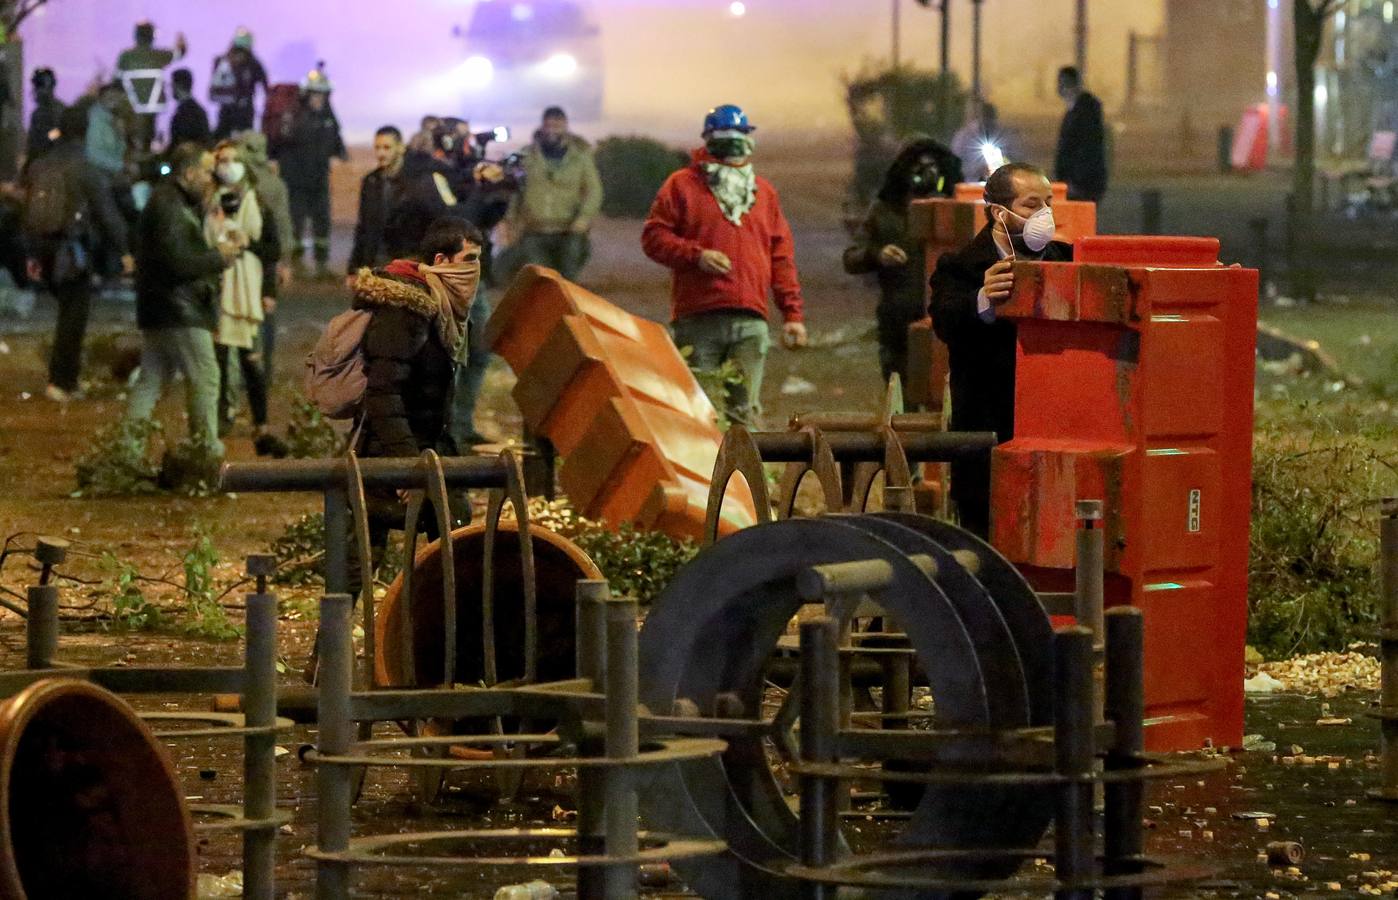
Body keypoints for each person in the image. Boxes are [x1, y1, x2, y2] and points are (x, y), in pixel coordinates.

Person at [928, 162, 1073, 537]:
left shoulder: (1068, 261)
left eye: (1049, 204)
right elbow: (946, 322)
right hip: (987, 439)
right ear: (999, 212)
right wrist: (984, 301)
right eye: (1030, 206)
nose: (1044, 216)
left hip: (1054, 434)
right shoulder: (961, 268)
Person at [642, 104, 807, 427]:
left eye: (739, 136)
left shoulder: (763, 193)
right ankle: (698, 476)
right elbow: (654, 237)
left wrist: (793, 314)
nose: (733, 144)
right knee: (694, 413)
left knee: (743, 414)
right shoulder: (682, 185)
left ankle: (743, 478)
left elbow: (781, 256)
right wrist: (695, 255)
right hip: (697, 317)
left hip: (750, 319)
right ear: (707, 141)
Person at [123, 143, 239, 458]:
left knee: (151, 379)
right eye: (205, 170)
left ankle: (128, 452)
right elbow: (178, 262)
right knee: (206, 374)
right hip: (178, 309)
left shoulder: (170, 202)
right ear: (188, 173)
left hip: (159, 307)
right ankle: (206, 449)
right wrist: (219, 257)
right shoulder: (170, 207)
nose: (210, 176)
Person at [22, 105, 132, 402]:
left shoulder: (39, 165)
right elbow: (107, 215)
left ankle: (63, 379)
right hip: (70, 253)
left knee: (64, 314)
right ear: (85, 131)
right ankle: (62, 382)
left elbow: (24, 208)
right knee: (73, 316)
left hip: (40, 250)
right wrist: (126, 251)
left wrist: (29, 254)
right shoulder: (85, 168)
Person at [843, 138, 959, 386]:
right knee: (901, 390)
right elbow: (852, 258)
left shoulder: (956, 211)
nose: (926, 174)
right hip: (898, 319)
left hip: (947, 319)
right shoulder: (885, 211)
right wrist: (878, 254)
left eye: (933, 167)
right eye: (918, 167)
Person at [207, 140, 277, 446]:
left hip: (249, 288)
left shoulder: (257, 201)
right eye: (222, 160)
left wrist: (246, 244)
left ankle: (261, 421)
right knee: (220, 358)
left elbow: (271, 250)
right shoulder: (210, 202)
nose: (228, 166)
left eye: (233, 160)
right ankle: (224, 416)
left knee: (251, 360)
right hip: (220, 287)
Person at [506, 106, 603, 283]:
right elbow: (515, 190)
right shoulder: (527, 156)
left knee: (568, 278)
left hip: (569, 228)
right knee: (541, 278)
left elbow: (593, 190)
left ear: (566, 127)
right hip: (534, 229)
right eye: (548, 126)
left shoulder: (580, 157)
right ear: (542, 127)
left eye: (557, 126)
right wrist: (511, 220)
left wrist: (584, 218)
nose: (552, 131)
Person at [233, 130, 294, 380]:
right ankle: (263, 372)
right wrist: (285, 261)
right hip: (267, 260)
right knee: (266, 313)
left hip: (240, 258)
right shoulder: (274, 184)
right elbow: (284, 226)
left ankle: (242, 373)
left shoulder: (237, 182)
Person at [275, 66, 346, 278]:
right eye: (315, 94)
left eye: (322, 94)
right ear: (307, 94)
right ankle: (296, 265)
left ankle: (321, 265)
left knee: (322, 222)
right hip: (297, 181)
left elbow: (335, 140)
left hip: (318, 179)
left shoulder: (327, 117)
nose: (319, 98)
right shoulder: (296, 117)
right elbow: (285, 147)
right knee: (296, 221)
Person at [114, 20, 186, 150]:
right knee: (148, 140)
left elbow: (116, 81)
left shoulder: (126, 56)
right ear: (152, 36)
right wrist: (181, 41)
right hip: (152, 108)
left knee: (132, 141)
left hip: (132, 108)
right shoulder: (158, 55)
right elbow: (180, 52)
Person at [348, 125, 408, 274]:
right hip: (376, 262)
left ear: (400, 148)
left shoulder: (415, 181)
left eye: (387, 148)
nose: (381, 153)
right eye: (377, 148)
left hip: (404, 263)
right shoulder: (371, 181)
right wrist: (354, 267)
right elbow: (363, 226)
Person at [1054, 66, 1108, 203]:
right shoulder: (1075, 112)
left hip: (1082, 185)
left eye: (1062, 83)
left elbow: (1088, 149)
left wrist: (1076, 181)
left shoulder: (1085, 113)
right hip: (1077, 183)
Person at [209, 28, 268, 139]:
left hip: (236, 112)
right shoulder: (251, 64)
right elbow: (265, 86)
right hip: (234, 112)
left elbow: (265, 86)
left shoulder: (252, 64)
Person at [951, 100, 1008, 183]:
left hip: (995, 187)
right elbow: (954, 166)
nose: (988, 122)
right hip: (968, 186)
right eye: (985, 117)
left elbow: (1007, 160)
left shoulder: (1000, 136)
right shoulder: (964, 137)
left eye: (991, 118)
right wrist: (978, 169)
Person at [25, 68, 64, 166]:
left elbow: (60, 131)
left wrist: (46, 138)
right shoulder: (41, 111)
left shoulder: (55, 109)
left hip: (50, 160)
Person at [168, 68, 211, 148]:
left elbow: (177, 145)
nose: (170, 89)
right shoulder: (198, 111)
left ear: (178, 85)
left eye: (171, 85)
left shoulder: (184, 113)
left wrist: (162, 160)